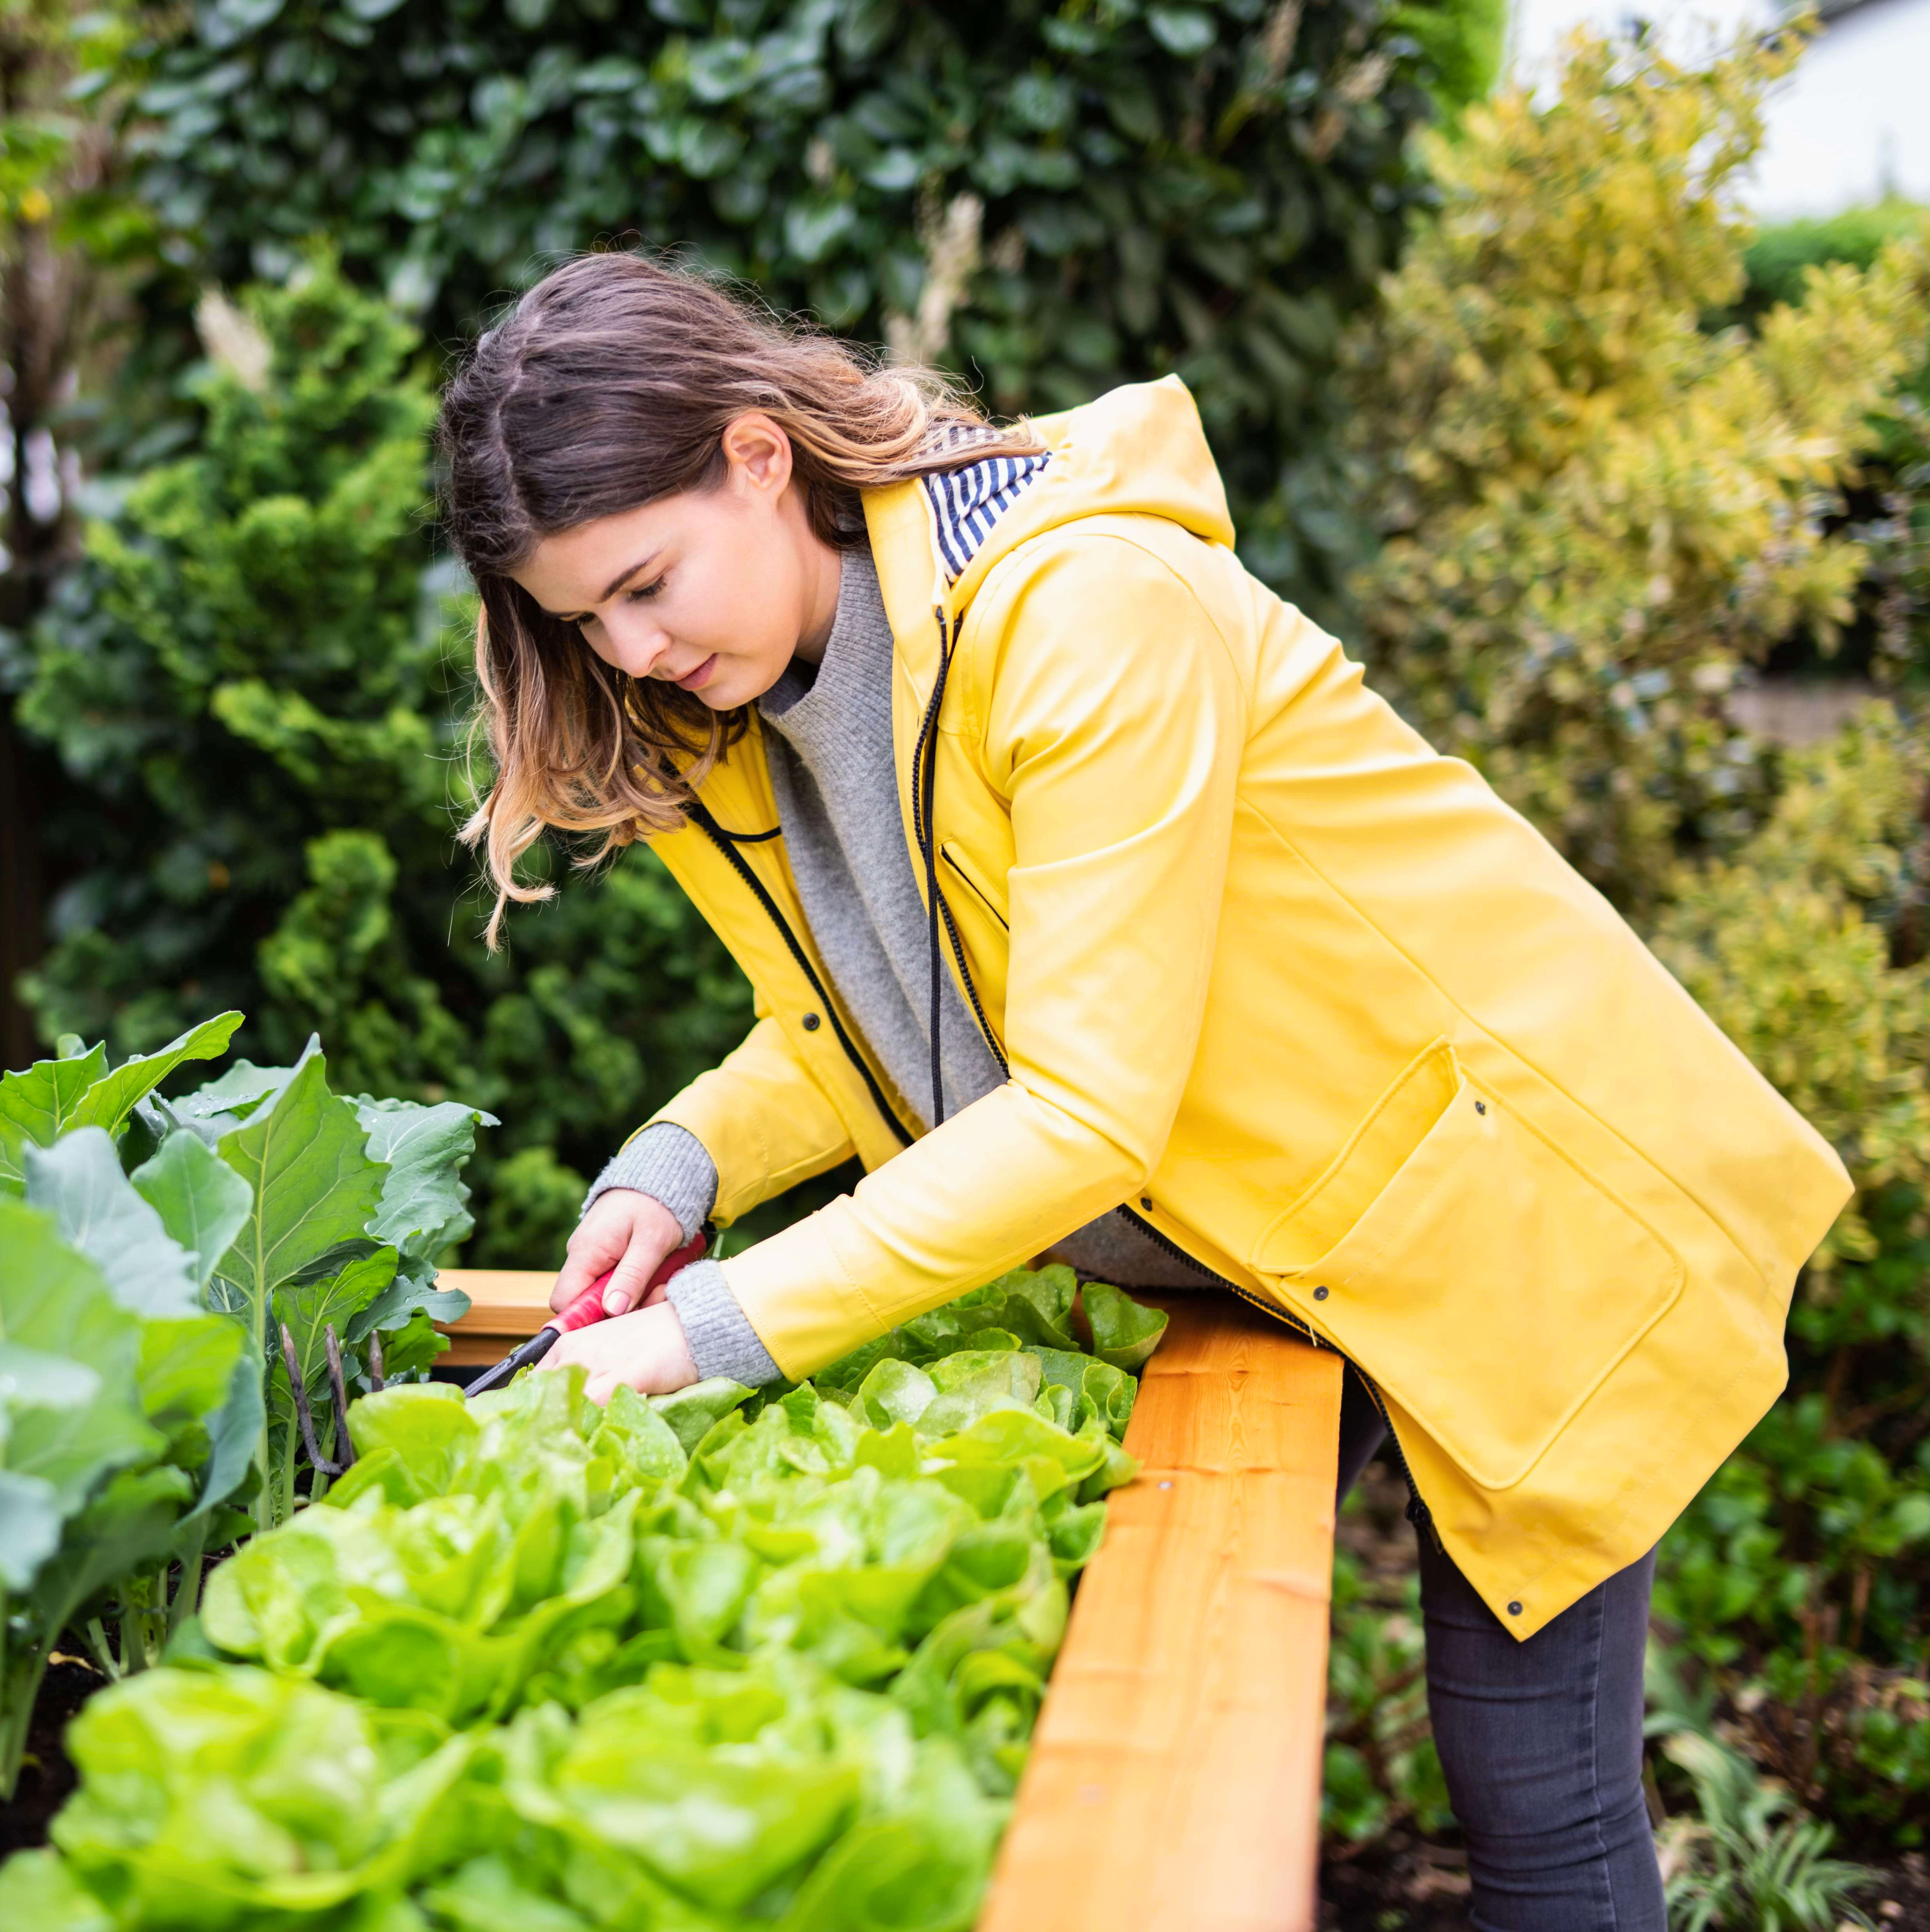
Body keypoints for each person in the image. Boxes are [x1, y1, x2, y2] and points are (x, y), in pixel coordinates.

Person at [438, 251, 1851, 1932]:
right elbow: (866, 1022)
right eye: (582, 616)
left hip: (1507, 1210)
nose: (632, 646)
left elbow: (1084, 1110)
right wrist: (674, 1170)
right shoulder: (763, 703)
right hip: (1268, 1244)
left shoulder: (1080, 610)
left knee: (1538, 1813)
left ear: (762, 457)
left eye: (647, 582)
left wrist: (705, 1330)